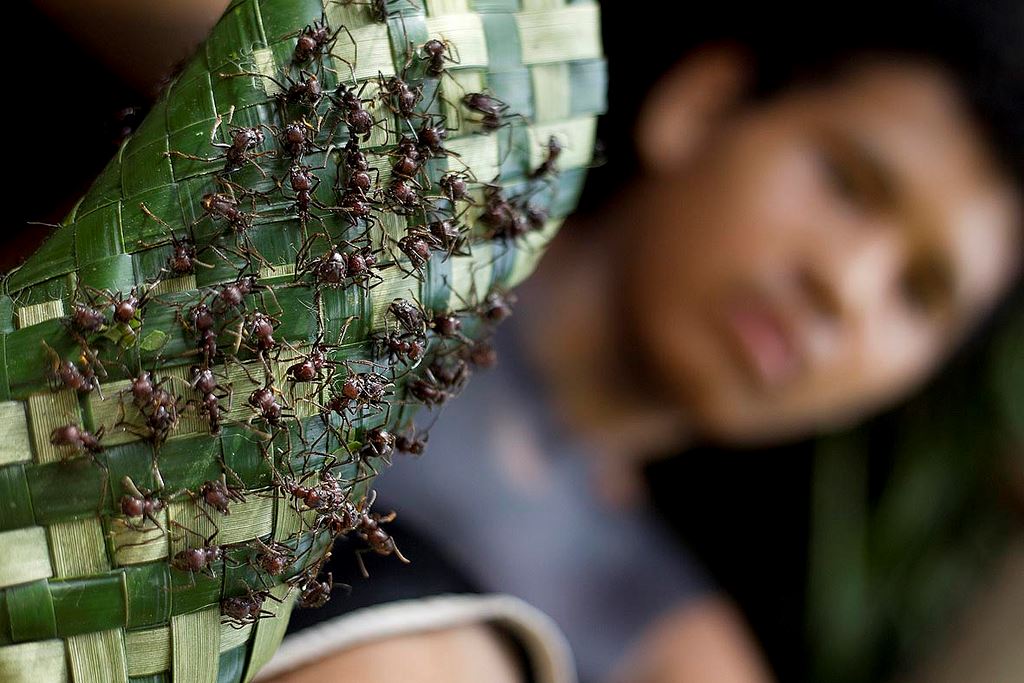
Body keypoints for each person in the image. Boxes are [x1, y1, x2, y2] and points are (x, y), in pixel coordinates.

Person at [267, 2, 1022, 682]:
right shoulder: (347, 170)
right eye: (846, 182)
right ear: (704, 105)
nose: (846, 288)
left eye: (919, 295)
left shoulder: (677, 655)